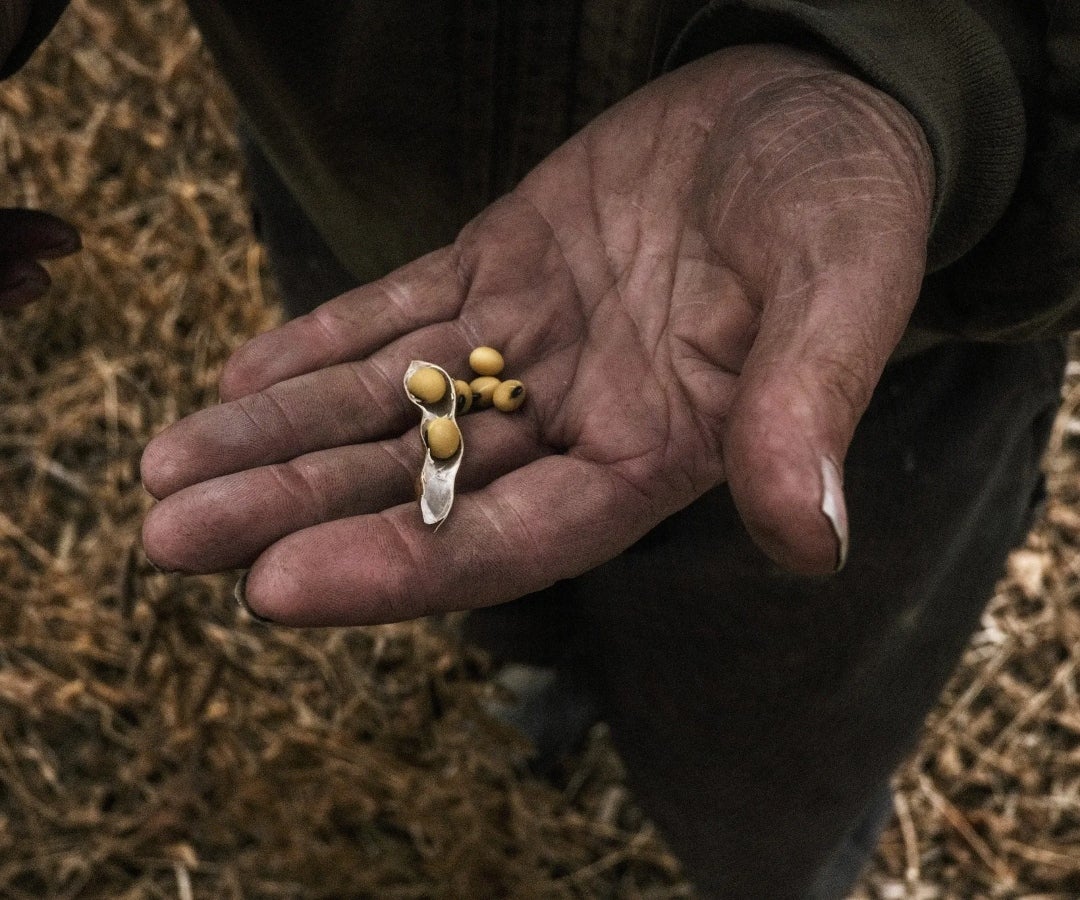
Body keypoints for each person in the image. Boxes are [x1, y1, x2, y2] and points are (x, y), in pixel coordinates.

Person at [5, 3, 1078, 897]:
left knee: (776, 727)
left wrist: (922, 65)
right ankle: (549, 675)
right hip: (362, 180)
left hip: (892, 315)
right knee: (497, 570)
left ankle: (776, 861)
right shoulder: (451, 372)